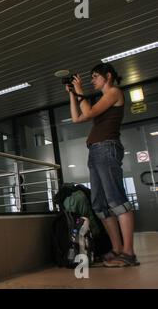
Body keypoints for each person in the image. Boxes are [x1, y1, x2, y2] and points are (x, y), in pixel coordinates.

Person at [66, 63, 139, 267]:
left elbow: (88, 113)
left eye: (95, 76)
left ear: (108, 76)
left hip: (107, 147)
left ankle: (129, 253)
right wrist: (73, 94)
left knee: (116, 199)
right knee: (99, 204)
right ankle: (116, 249)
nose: (92, 80)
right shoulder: (100, 100)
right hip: (96, 150)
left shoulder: (114, 92)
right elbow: (77, 118)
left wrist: (80, 92)